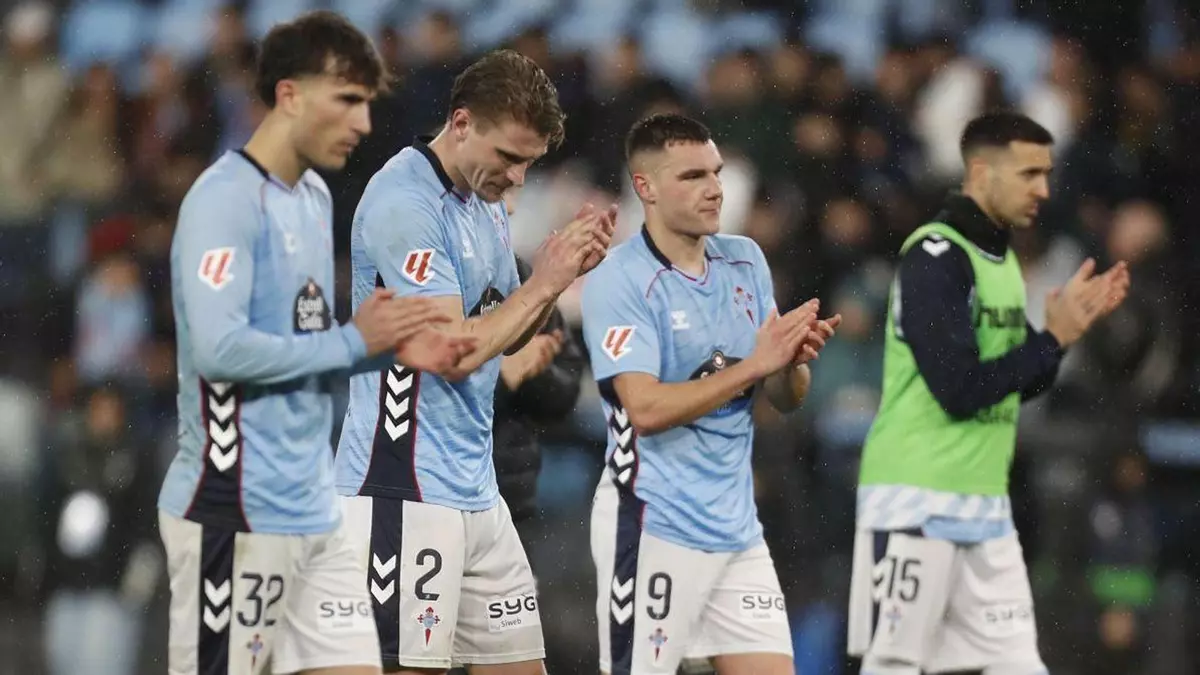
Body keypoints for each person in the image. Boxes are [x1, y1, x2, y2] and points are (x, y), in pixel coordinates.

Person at [157, 12, 476, 675]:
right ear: (290, 95)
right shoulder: (224, 201)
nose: (363, 122)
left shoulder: (313, 197)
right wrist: (353, 341)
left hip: (311, 506)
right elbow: (219, 352)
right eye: (348, 100)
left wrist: (384, 351)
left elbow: (304, 341)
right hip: (234, 509)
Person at [333, 49, 615, 675]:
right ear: (461, 123)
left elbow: (505, 329)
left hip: (475, 489)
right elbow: (452, 351)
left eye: (529, 163)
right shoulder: (405, 204)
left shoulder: (482, 200)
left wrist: (564, 273)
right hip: (404, 490)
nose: (517, 179)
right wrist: (546, 282)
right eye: (509, 157)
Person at [846, 112, 1131, 675]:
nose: (1043, 190)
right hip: (916, 500)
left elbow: (1013, 381)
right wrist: (1051, 340)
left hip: (982, 505)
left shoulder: (1000, 263)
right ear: (981, 172)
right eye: (1029, 174)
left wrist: (1059, 339)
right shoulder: (935, 256)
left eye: (1046, 174)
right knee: (894, 666)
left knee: (1019, 664)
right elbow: (959, 388)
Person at [580, 113, 840, 675]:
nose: (715, 188)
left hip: (737, 531)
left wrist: (791, 362)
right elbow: (643, 408)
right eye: (693, 175)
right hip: (652, 527)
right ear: (646, 187)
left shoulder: (745, 260)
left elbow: (785, 396)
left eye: (716, 172)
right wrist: (756, 366)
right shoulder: (619, 280)